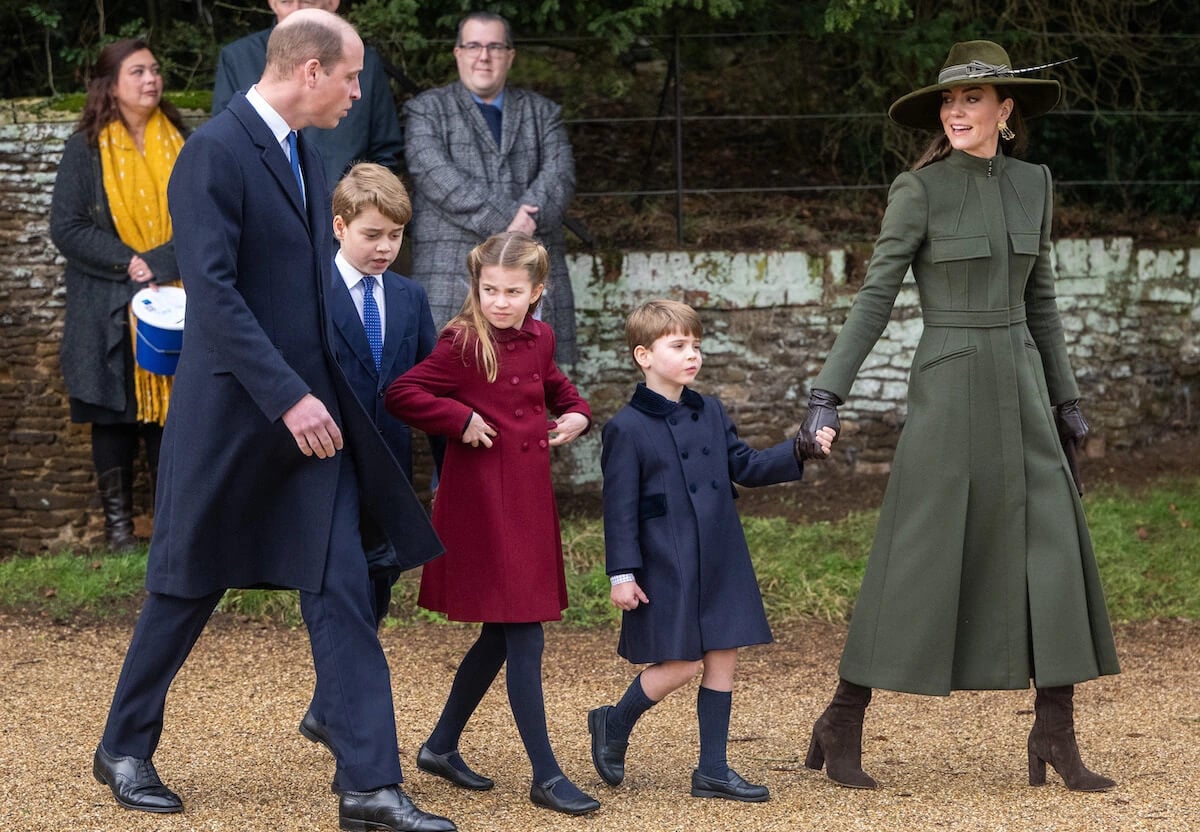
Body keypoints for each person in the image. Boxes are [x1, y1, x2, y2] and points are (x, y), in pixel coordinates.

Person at [91, 11, 454, 832]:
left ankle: (369, 786)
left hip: (310, 423)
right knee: (186, 587)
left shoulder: (301, 150)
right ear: (312, 71)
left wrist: (332, 388)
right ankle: (122, 746)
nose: (360, 93)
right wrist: (287, 396)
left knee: (343, 590)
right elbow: (213, 295)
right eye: (352, 77)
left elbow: (304, 291)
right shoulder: (214, 153)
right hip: (233, 419)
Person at [793, 40, 1120, 793]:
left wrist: (1068, 401)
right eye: (949, 101)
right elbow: (876, 296)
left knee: (1054, 552)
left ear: (1006, 111)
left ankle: (1055, 730)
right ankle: (843, 717)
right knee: (918, 553)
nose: (956, 111)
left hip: (1025, 389)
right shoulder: (920, 189)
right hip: (949, 388)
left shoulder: (1035, 184)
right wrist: (826, 393)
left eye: (972, 99)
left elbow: (1041, 299)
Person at [384, 231, 599, 816]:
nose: (499, 302)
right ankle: (547, 775)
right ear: (474, 288)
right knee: (524, 631)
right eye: (489, 290)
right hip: (482, 504)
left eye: (512, 292)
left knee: (503, 632)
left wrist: (577, 413)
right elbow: (402, 393)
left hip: (528, 500)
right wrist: (459, 417)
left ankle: (440, 745)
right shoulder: (460, 341)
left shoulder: (541, 336)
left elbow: (553, 386)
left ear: (537, 293)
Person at [588, 299, 834, 803]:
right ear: (644, 355)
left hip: (720, 552)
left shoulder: (711, 411)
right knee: (679, 664)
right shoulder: (625, 428)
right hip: (665, 562)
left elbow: (743, 464)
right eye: (678, 346)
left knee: (723, 655)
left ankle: (713, 771)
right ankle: (614, 722)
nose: (692, 355)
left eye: (696, 345)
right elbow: (619, 510)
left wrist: (798, 448)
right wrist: (622, 574)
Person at [298, 161, 443, 748]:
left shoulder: (409, 297)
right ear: (339, 226)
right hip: (326, 467)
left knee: (379, 582)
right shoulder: (309, 293)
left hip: (391, 469)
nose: (386, 247)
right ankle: (346, 718)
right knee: (341, 592)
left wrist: (443, 470)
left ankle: (327, 707)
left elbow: (431, 387)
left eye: (396, 235)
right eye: (372, 234)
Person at [50, 39, 187, 551]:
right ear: (110, 84)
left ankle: (169, 528)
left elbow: (204, 217)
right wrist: (127, 260)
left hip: (173, 298)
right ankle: (119, 532)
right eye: (138, 71)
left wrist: (159, 262)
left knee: (168, 416)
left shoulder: (185, 142)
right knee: (112, 414)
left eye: (155, 69)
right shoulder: (84, 147)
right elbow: (67, 226)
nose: (151, 79)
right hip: (104, 303)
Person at [403, 11, 578, 365]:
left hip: (531, 279)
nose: (484, 56)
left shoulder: (543, 112)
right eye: (473, 46)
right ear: (458, 53)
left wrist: (526, 219)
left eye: (495, 46)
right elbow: (436, 176)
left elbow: (560, 176)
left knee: (534, 389)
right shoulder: (427, 110)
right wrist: (514, 222)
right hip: (452, 275)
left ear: (510, 55)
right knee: (453, 396)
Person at [211, 0, 404, 187]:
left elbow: (385, 151)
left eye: (308, 2)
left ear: (333, 3)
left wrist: (360, 208)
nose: (295, 10)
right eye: (286, 1)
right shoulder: (238, 59)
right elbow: (227, 144)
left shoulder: (365, 62)